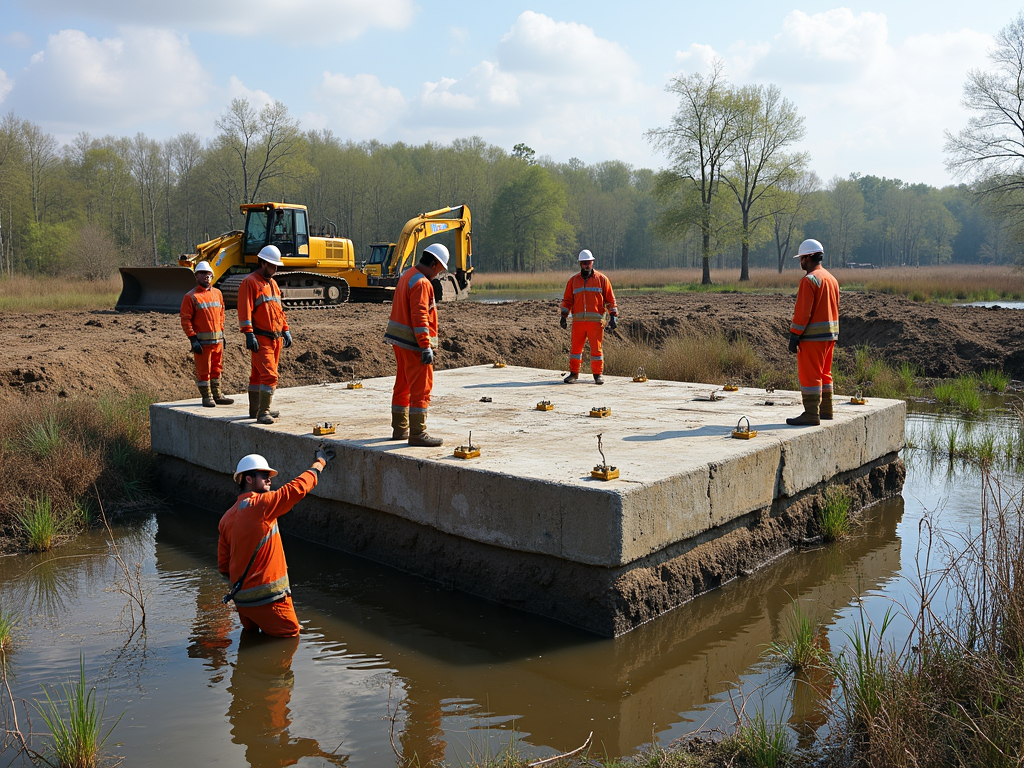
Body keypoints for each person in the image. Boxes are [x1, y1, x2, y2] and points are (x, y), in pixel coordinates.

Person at [218, 448, 333, 637]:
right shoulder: (262, 505)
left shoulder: (226, 518)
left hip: (242, 602)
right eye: (264, 476)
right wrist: (319, 464)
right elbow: (296, 489)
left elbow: (223, 566)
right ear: (248, 479)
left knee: (251, 639)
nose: (269, 479)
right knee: (290, 636)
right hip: (269, 600)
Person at [383, 243, 449, 447]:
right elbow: (420, 316)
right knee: (421, 387)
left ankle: (400, 428)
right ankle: (418, 433)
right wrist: (425, 346)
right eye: (440, 269)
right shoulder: (421, 283)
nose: (438, 274)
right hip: (413, 344)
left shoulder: (407, 276)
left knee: (403, 384)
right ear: (435, 263)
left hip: (400, 342)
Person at [786, 238, 840, 426]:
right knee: (825, 373)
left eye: (801, 258)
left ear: (809, 257)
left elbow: (803, 312)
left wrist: (795, 334)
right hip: (830, 336)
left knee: (811, 375)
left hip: (813, 338)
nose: (800, 262)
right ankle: (826, 411)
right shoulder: (831, 279)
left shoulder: (809, 281)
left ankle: (810, 413)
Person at [238, 245, 292, 424]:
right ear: (262, 263)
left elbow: (278, 310)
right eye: (272, 265)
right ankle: (264, 412)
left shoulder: (273, 283)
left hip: (275, 337)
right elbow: (245, 309)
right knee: (269, 375)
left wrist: (285, 329)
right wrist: (248, 333)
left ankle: (256, 409)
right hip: (261, 338)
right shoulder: (250, 282)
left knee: (257, 375)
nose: (275, 269)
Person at [179, 261, 233, 408]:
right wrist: (193, 339)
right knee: (204, 371)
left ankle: (217, 394)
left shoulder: (218, 294)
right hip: (202, 344)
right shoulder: (191, 297)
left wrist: (222, 335)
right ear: (197, 276)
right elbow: (185, 320)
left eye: (208, 273)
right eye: (202, 273)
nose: (206, 276)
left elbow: (221, 315)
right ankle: (207, 396)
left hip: (217, 341)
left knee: (217, 368)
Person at [560, 249, 618, 385]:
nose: (586, 265)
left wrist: (613, 316)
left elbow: (610, 300)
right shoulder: (573, 281)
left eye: (588, 263)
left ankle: (598, 375)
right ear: (580, 264)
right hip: (578, 322)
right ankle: (573, 374)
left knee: (596, 350)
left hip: (596, 322)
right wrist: (563, 316)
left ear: (592, 262)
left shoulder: (602, 280)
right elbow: (567, 300)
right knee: (575, 350)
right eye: (584, 263)